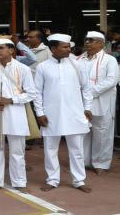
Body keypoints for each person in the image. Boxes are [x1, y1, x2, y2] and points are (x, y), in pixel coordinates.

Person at [34, 33, 93, 193]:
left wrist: (87, 107)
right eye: (65, 47)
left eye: (69, 47)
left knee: (77, 149)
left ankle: (79, 180)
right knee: (50, 148)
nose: (69, 50)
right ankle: (52, 179)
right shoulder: (42, 67)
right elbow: (37, 92)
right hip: (51, 114)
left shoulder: (77, 64)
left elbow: (87, 88)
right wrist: (39, 113)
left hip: (75, 113)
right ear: (53, 49)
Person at [0, 38, 36, 194]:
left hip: (16, 114)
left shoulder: (23, 68)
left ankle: (19, 182)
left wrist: (11, 100)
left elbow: (31, 93)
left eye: (1, 48)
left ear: (11, 50)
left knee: (17, 151)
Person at [78, 31, 118, 175]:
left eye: (91, 40)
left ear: (101, 43)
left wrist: (90, 92)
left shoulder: (109, 60)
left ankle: (100, 163)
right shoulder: (79, 59)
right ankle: (84, 161)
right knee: (84, 132)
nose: (87, 42)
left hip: (102, 102)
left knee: (102, 132)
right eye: (86, 39)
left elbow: (111, 80)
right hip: (82, 102)